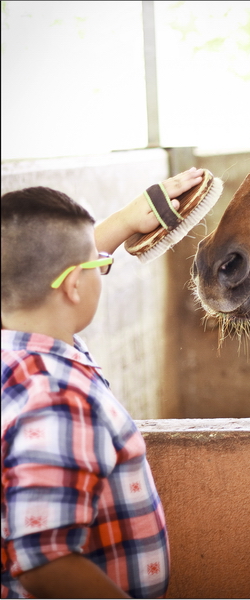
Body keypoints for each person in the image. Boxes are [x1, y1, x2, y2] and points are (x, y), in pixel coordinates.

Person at [1, 168, 204, 599]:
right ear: (75, 285)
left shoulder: (18, 359)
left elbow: (46, 269)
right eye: (99, 265)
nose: (104, 265)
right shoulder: (58, 399)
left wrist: (128, 221)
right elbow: (47, 562)